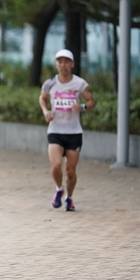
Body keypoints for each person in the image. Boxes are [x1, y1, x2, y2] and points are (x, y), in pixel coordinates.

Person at [39, 49, 96, 211]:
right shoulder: (50, 83)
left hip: (74, 132)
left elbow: (91, 101)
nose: (63, 65)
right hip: (55, 130)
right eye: (60, 62)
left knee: (70, 171)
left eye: (66, 62)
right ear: (56, 65)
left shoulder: (80, 83)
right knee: (56, 165)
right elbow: (42, 98)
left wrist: (82, 107)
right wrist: (45, 111)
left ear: (72, 64)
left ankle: (69, 198)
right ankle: (59, 189)